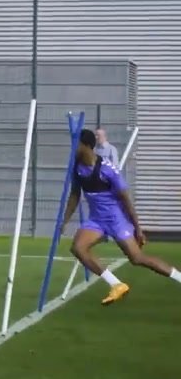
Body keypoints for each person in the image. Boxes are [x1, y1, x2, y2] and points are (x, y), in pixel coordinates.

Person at [62, 128, 181, 304]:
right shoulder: (76, 167)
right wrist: (64, 221)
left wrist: (138, 229)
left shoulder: (107, 169)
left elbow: (125, 199)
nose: (72, 147)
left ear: (87, 145)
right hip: (96, 221)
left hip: (117, 220)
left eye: (76, 144)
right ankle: (116, 284)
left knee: (137, 258)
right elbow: (74, 195)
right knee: (78, 248)